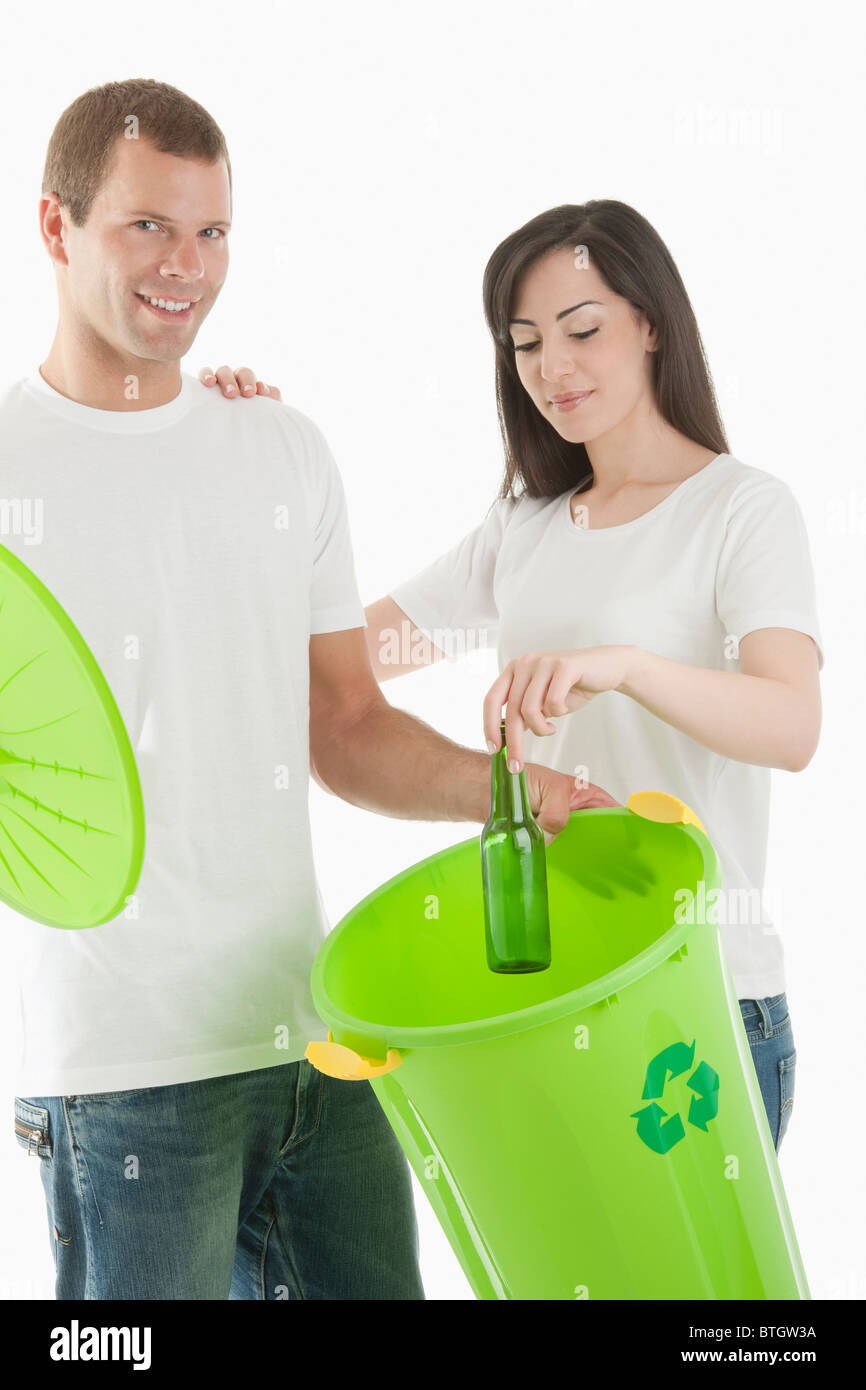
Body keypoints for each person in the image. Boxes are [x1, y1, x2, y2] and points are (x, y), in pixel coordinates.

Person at [5, 79, 614, 1303]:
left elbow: (344, 722)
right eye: (146, 227)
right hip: (126, 1070)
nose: (186, 266)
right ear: (57, 227)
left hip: (317, 1047)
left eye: (212, 231)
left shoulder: (280, 450)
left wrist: (517, 790)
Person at [216, 201, 823, 1157]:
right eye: (526, 343)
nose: (553, 368)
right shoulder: (527, 527)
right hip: (551, 998)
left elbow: (792, 725)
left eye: (582, 330)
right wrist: (250, 466)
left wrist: (623, 667)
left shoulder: (742, 511)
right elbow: (340, 658)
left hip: (700, 998)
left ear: (652, 323)